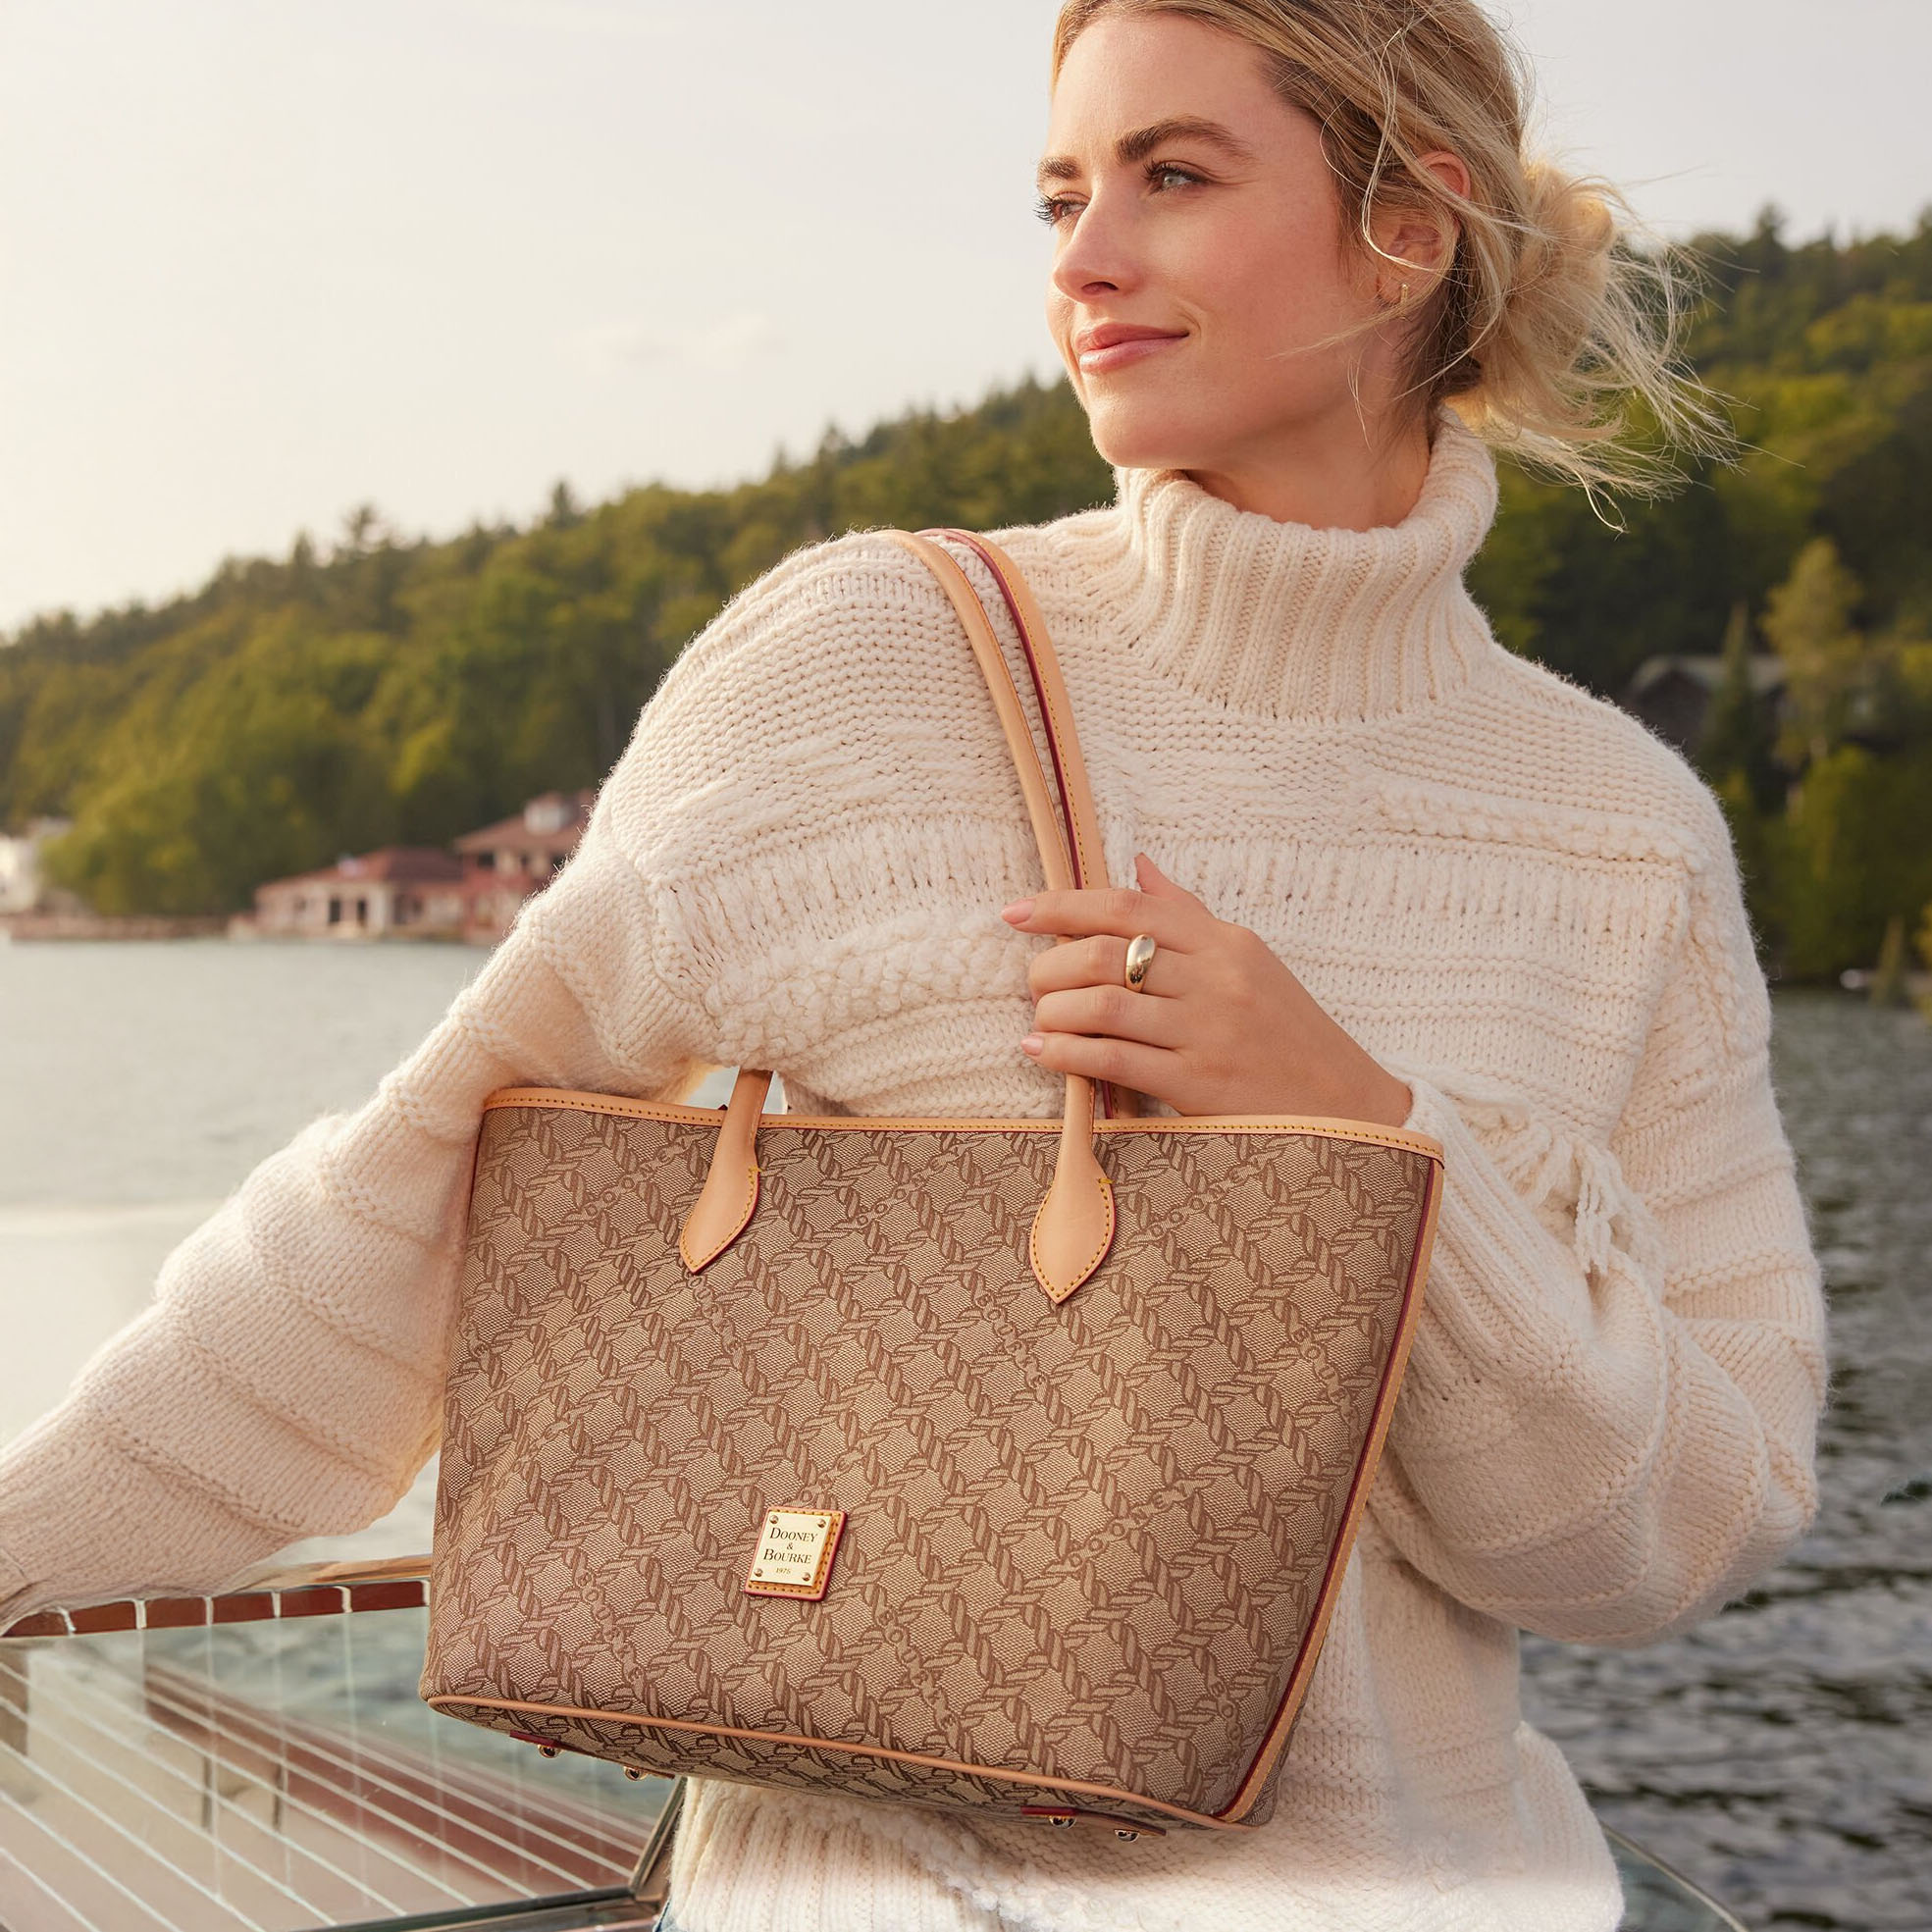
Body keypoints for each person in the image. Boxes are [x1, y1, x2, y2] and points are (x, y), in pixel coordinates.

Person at [0, 2, 1828, 1929]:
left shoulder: (1619, 832)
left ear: (1411, 224)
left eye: (1173, 176)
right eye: (1060, 193)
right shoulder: (865, 666)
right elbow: (381, 1234)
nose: (1082, 260)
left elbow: (1665, 1541)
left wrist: (1368, 1136)